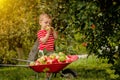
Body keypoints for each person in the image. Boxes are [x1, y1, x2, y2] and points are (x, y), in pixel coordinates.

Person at [37, 13, 58, 80]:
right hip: (44, 51)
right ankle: (47, 77)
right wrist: (48, 33)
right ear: (40, 23)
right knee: (48, 64)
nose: (48, 24)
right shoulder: (40, 32)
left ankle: (50, 75)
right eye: (46, 22)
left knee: (54, 61)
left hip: (50, 51)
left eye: (49, 23)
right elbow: (43, 41)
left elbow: (56, 37)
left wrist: (53, 31)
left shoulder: (51, 31)